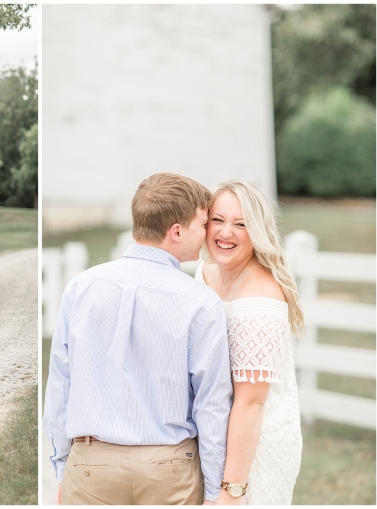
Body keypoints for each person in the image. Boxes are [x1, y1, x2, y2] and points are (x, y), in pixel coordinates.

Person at [43, 172, 234, 505]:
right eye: (202, 225)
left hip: (91, 466)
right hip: (170, 468)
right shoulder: (201, 302)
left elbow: (61, 383)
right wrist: (216, 489)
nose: (208, 234)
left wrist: (63, 464)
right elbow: (211, 404)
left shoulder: (81, 288)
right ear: (176, 231)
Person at [195, 180, 303, 505]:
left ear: (256, 231)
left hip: (255, 448)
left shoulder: (261, 298)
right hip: (213, 438)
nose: (226, 233)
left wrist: (232, 490)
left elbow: (252, 403)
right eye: (218, 219)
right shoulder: (204, 274)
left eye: (240, 224)